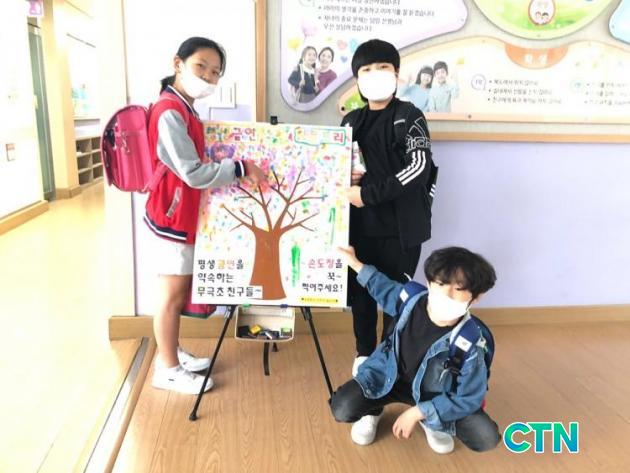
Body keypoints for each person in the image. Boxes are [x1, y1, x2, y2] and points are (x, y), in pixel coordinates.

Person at [145, 37, 267, 394]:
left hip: (179, 213)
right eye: (201, 67)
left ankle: (171, 354)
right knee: (171, 295)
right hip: (171, 217)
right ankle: (168, 369)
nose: (208, 77)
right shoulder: (169, 111)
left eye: (215, 73)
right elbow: (193, 173)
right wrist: (241, 167)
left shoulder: (183, 107)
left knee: (178, 291)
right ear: (178, 63)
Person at [330, 245, 500, 454]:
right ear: (429, 282)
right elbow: (381, 286)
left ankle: (432, 420)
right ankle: (373, 411)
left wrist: (420, 412)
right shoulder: (409, 300)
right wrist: (355, 263)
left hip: (433, 394)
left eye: (458, 289)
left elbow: (469, 398)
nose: (446, 294)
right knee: (342, 408)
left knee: (485, 437)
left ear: (476, 296)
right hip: (389, 378)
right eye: (440, 283)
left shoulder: (471, 343)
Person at [341, 39, 435, 378]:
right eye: (366, 69)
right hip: (358, 227)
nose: (375, 74)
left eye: (382, 67)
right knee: (362, 295)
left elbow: (418, 167)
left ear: (396, 73)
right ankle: (363, 355)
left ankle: (390, 360)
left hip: (400, 230)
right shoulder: (350, 121)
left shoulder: (410, 116)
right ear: (357, 79)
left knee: (397, 297)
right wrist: (346, 175)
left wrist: (369, 195)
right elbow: (336, 166)